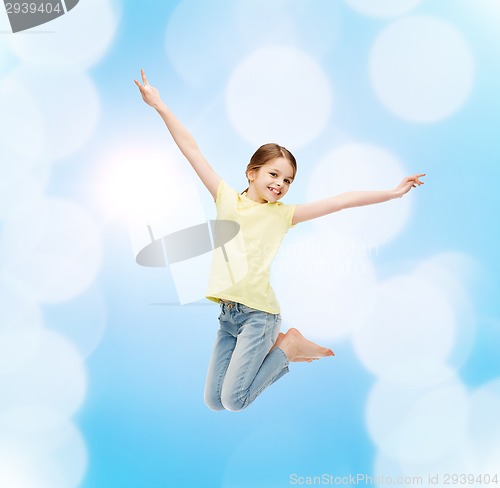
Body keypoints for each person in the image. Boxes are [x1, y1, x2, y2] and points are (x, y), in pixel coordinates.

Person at [134, 69, 425, 412]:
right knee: (215, 402)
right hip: (229, 316)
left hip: (259, 315)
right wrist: (159, 104)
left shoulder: (283, 215)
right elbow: (192, 149)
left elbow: (340, 200)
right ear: (251, 172)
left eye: (287, 180)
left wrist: (391, 193)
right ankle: (287, 349)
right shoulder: (226, 199)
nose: (280, 184)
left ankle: (290, 347)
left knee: (235, 400)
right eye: (274, 174)